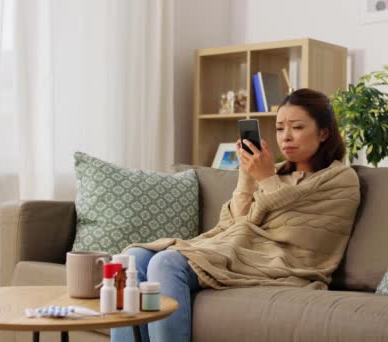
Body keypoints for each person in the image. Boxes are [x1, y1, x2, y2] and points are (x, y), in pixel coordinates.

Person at [111, 88, 361, 342]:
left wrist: (265, 178)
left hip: (281, 263)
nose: (285, 137)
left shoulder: (340, 178)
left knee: (166, 263)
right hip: (239, 247)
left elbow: (304, 237)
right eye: (279, 128)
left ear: (323, 133)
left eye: (296, 127)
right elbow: (235, 223)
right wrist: (247, 176)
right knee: (132, 258)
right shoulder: (272, 172)